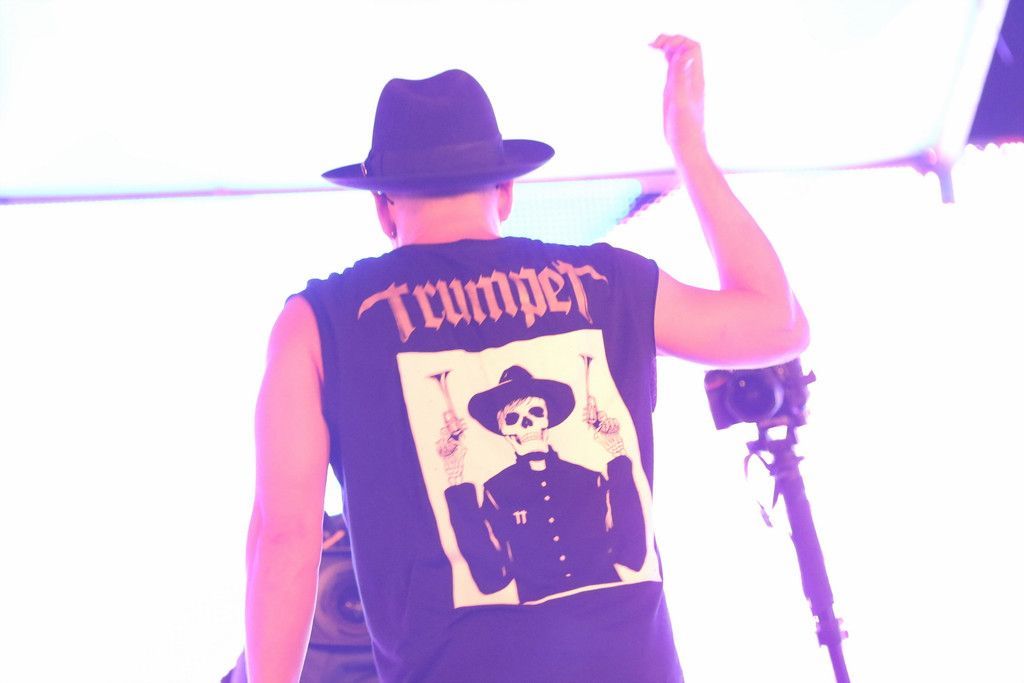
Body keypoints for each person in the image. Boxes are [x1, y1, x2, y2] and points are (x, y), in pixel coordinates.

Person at [245, 34, 810, 683]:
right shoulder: (610, 283)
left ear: (382, 205)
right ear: (507, 190)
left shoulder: (318, 324)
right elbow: (780, 324)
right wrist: (690, 148)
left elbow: (285, 539)